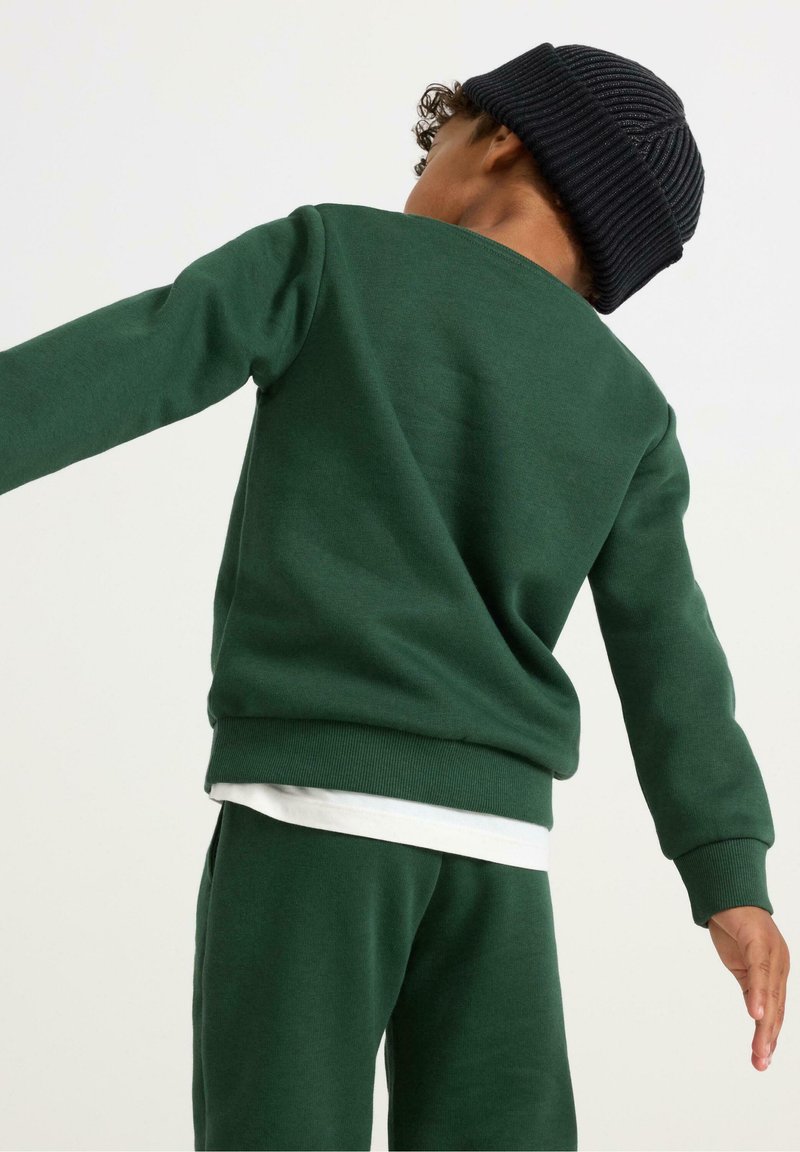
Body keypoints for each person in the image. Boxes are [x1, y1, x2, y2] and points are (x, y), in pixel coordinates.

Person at [1, 40, 789, 1152]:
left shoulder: (333, 256)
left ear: (498, 138)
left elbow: (129, 359)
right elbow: (672, 655)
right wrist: (730, 876)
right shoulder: (627, 404)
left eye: (436, 144)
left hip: (313, 812)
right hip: (497, 849)